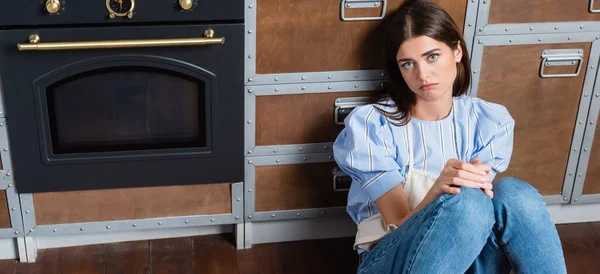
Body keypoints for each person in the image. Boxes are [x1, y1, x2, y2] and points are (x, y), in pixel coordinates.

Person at [332, 0, 567, 273]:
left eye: (432, 56)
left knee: (515, 194)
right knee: (468, 202)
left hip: (465, 259)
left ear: (457, 50)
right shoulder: (372, 124)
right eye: (408, 64)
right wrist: (436, 192)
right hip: (392, 257)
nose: (423, 74)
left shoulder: (488, 122)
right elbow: (397, 223)